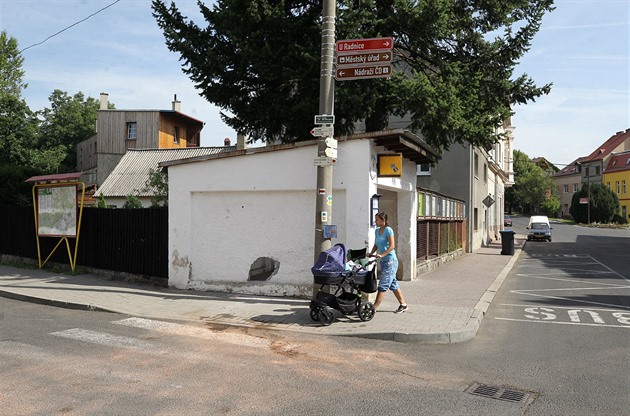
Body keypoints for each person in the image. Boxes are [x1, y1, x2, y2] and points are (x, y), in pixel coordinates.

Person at [368, 212, 408, 313]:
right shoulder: (377, 231)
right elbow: (376, 245)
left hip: (391, 261)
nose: (375, 221)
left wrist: (382, 255)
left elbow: (392, 246)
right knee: (393, 284)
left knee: (383, 285)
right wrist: (371, 253)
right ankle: (403, 304)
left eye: (377, 219)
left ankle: (374, 308)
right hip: (384, 262)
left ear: (383, 221)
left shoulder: (388, 230)